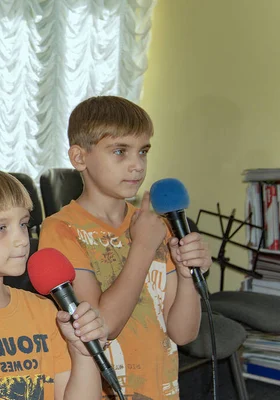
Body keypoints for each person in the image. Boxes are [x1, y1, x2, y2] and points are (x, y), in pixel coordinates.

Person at [39, 96, 212, 399]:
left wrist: (187, 277)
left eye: (143, 151)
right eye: (120, 151)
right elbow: (102, 328)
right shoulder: (61, 230)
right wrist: (143, 249)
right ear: (80, 158)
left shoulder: (155, 224)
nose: (137, 165)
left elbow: (184, 334)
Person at [0, 166, 107, 400]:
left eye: (23, 224)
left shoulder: (45, 311)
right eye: (1, 228)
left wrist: (83, 356)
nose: (22, 240)